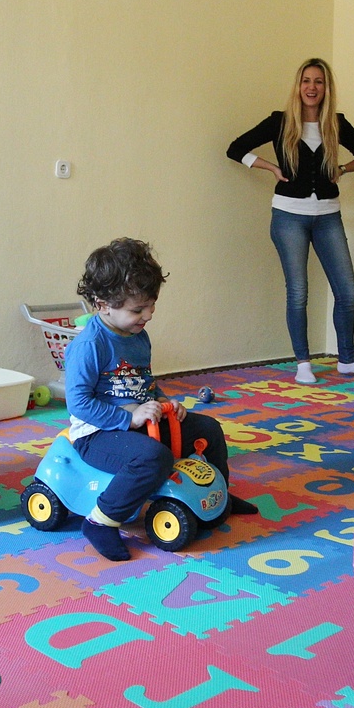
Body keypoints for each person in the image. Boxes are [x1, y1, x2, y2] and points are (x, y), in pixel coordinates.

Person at [65, 238, 259, 561]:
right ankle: (101, 521)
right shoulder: (90, 345)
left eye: (151, 305)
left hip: (141, 421)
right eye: (138, 309)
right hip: (97, 433)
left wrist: (165, 402)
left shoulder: (138, 335)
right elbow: (79, 404)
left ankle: (219, 496)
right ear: (103, 304)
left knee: (209, 429)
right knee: (155, 458)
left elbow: (144, 382)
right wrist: (128, 418)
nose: (149, 315)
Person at [227, 57, 354, 385]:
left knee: (347, 291)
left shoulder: (336, 123)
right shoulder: (280, 121)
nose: (312, 87)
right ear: (298, 86)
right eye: (306, 81)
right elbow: (235, 148)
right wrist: (271, 167)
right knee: (298, 292)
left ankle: (347, 359)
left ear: (326, 88)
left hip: (328, 217)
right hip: (289, 217)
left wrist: (343, 169)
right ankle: (303, 363)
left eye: (318, 82)